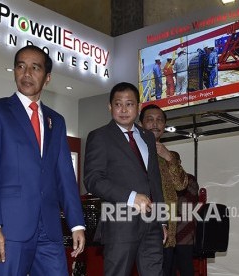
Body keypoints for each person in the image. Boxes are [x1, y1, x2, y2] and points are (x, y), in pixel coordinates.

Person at [0, 45, 85, 275]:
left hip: (50, 230)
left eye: (35, 68)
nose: (26, 73)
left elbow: (65, 176)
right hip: (9, 229)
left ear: (47, 78)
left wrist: (77, 224)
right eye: (21, 66)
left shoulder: (57, 121)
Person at [84, 82, 166, 276]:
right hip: (119, 223)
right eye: (118, 104)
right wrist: (131, 197)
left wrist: (162, 220)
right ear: (110, 107)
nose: (123, 109)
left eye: (129, 104)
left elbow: (154, 181)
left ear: (138, 108)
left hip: (152, 223)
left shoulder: (147, 137)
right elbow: (93, 179)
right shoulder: (99, 136)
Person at [139, 104, 188, 276]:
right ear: (140, 124)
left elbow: (181, 185)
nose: (155, 124)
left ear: (164, 127)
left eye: (159, 120)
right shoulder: (133, 152)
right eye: (150, 119)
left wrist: (168, 157)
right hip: (140, 227)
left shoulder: (171, 155)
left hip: (168, 230)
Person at [174, 173, 199, 276]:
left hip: (184, 234)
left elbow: (185, 207)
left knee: (185, 268)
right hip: (170, 234)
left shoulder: (189, 180)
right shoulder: (164, 178)